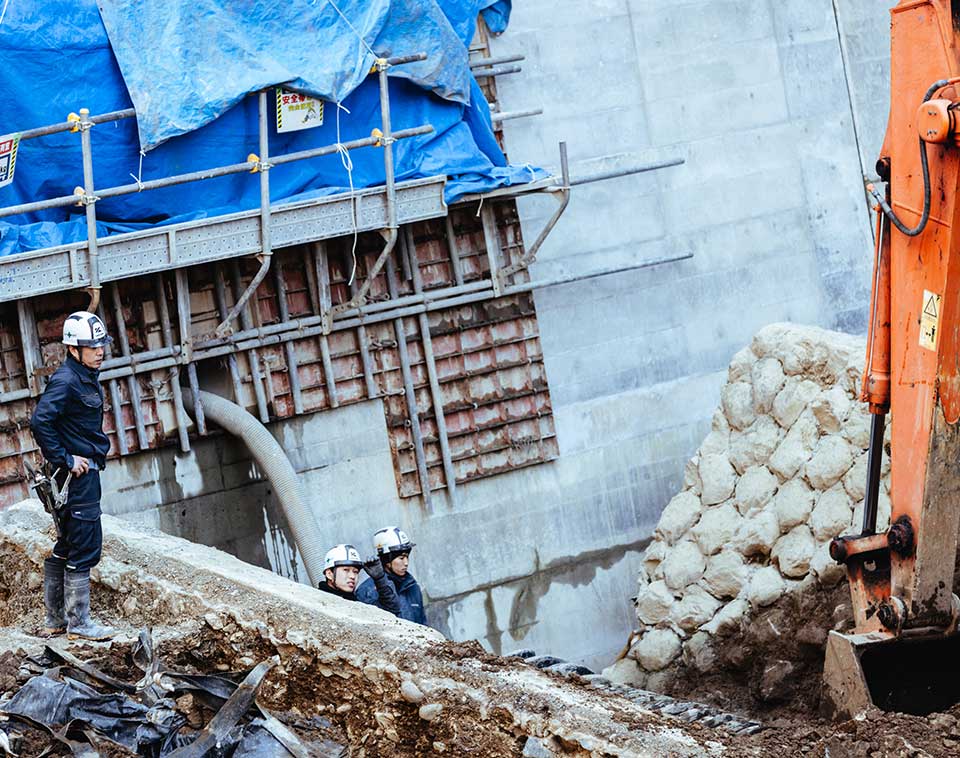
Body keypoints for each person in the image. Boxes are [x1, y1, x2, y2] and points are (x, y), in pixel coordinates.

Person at [29, 311, 114, 641]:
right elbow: (40, 422)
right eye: (92, 347)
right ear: (73, 349)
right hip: (76, 479)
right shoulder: (67, 381)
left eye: (101, 345)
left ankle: (55, 620)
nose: (100, 351)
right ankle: (78, 624)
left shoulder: (84, 376)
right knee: (85, 546)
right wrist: (65, 458)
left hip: (74, 478)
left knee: (67, 544)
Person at [356, 526, 427, 625]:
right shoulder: (367, 591)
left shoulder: (413, 587)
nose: (406, 563)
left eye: (407, 557)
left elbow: (423, 625)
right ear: (387, 561)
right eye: (401, 558)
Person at [319, 544, 400, 615]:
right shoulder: (317, 603)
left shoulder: (358, 604)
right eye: (346, 570)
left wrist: (380, 579)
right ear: (329, 574)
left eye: (356, 572)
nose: (352, 576)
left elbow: (391, 611)